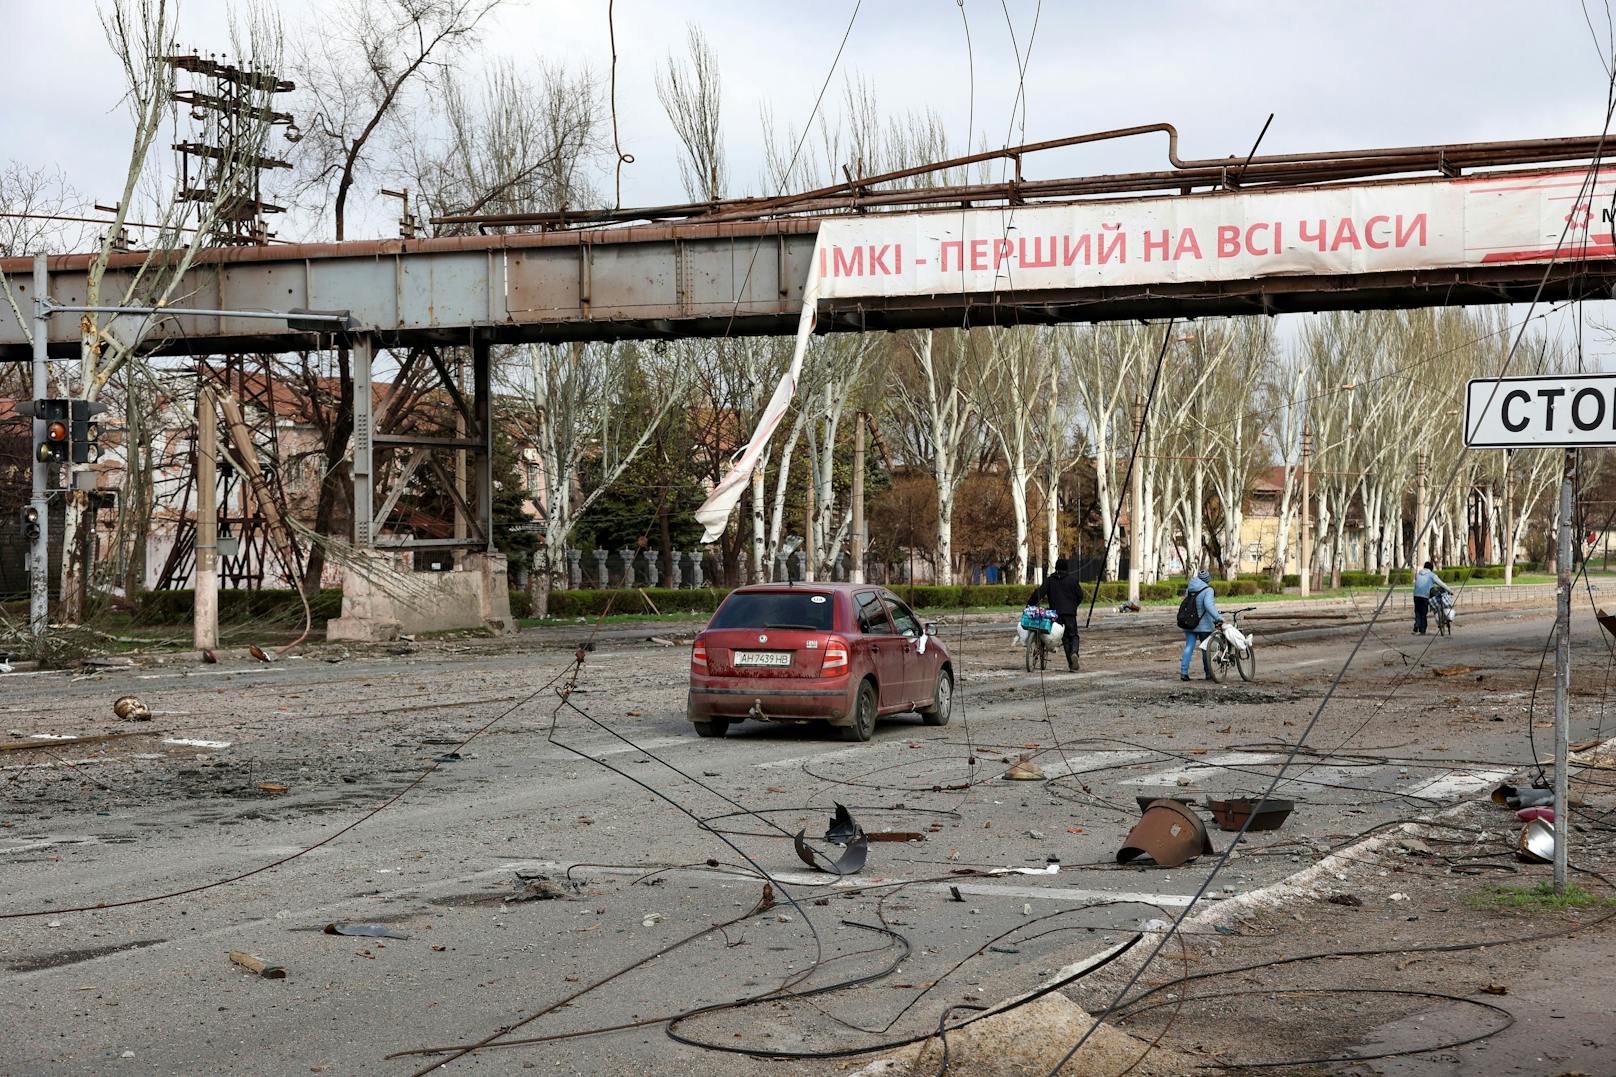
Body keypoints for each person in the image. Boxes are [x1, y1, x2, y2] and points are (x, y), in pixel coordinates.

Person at [1028, 557, 1085, 671]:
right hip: (1070, 613)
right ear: (1066, 568)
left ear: (1056, 567)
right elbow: (1080, 596)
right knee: (1073, 636)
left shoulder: (1050, 580)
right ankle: (1074, 655)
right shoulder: (1072, 580)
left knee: (1064, 638)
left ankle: (1071, 663)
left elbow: (1040, 593)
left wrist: (1030, 603)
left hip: (1056, 614)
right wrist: (1073, 606)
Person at [1180, 568, 1222, 681]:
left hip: (1189, 623)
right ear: (1208, 580)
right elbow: (1209, 606)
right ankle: (1208, 673)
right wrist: (1218, 618)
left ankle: (1184, 672)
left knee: (1189, 647)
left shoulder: (1190, 588)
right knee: (1205, 648)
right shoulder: (1208, 590)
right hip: (1204, 625)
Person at [1412, 560, 1450, 635]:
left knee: (1417, 611)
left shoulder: (1419, 574)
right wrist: (1450, 590)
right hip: (1425, 596)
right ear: (1431, 568)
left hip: (1416, 595)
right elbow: (1441, 583)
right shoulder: (1431, 575)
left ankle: (1417, 624)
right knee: (1423, 613)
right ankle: (1422, 630)